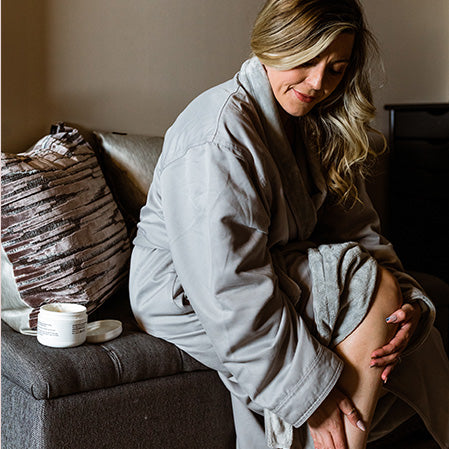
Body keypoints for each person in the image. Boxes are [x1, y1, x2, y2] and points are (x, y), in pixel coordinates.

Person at [129, 0, 449, 448]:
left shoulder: (318, 121)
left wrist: (407, 300)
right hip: (185, 292)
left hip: (268, 269)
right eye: (306, 59)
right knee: (367, 288)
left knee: (386, 298)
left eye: (336, 69)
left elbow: (358, 231)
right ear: (275, 44)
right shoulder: (218, 136)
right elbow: (227, 286)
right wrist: (311, 397)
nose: (318, 83)